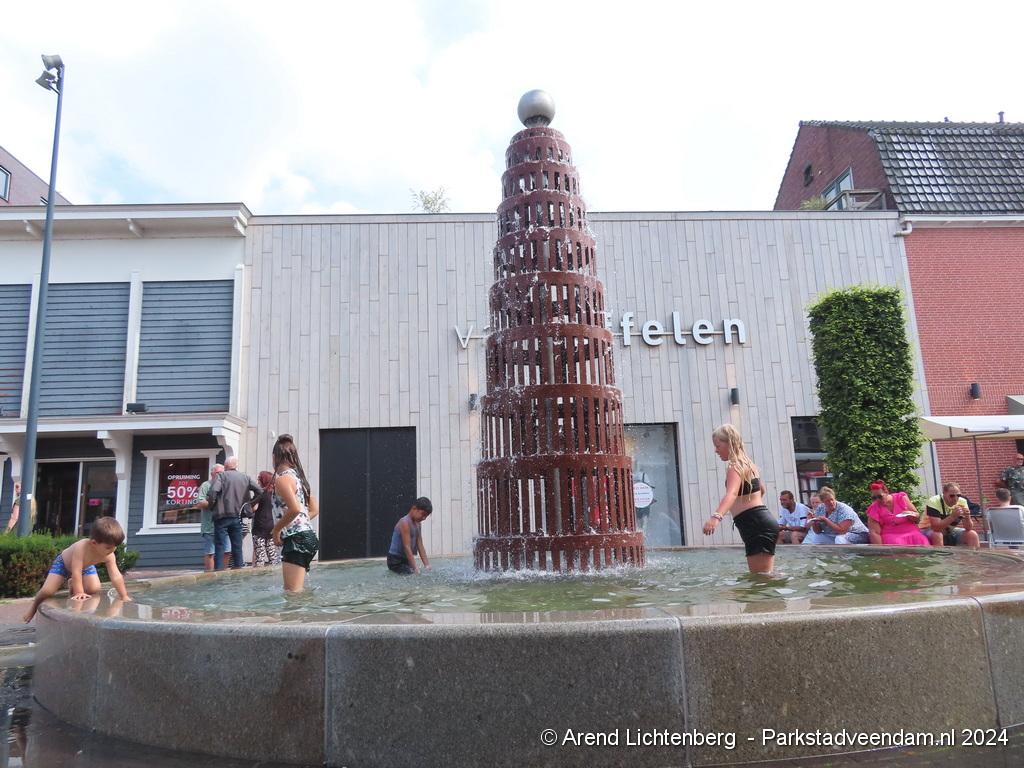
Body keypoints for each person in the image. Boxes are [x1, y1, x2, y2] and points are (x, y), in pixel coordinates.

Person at [702, 424, 778, 574]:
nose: (716, 450)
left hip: (755, 525)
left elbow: (731, 494)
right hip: (758, 522)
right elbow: (761, 489)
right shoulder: (748, 464)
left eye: (718, 446)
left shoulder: (735, 466)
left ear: (729, 443)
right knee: (764, 576)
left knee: (761, 578)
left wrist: (716, 517)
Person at [23, 516, 131, 622]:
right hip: (63, 564)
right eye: (108, 547)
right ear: (94, 543)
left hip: (86, 566)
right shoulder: (81, 547)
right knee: (48, 591)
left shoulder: (109, 555)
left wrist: (124, 595)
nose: (112, 550)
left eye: (115, 546)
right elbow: (76, 571)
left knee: (94, 588)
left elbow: (116, 576)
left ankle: (72, 584)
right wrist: (79, 592)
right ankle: (33, 608)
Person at [270, 435, 320, 592]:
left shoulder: (283, 479)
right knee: (296, 590)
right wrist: (299, 523)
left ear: (274, 457)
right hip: (306, 536)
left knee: (292, 593)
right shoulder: (299, 479)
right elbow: (314, 509)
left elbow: (294, 509)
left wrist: (276, 530)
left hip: (296, 540)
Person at [208, 456, 261, 570]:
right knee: (237, 546)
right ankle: (238, 572)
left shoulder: (221, 476)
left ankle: (218, 572)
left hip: (221, 516)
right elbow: (259, 491)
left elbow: (213, 493)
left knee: (220, 546)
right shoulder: (245, 477)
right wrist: (250, 504)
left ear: (226, 466)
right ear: (236, 465)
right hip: (238, 515)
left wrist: (212, 506)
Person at [865, 480, 931, 546]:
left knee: (921, 541)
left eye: (880, 497)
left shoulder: (901, 498)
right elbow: (874, 532)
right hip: (891, 535)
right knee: (896, 544)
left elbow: (917, 518)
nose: (877, 500)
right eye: (874, 498)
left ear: (886, 492)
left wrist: (910, 514)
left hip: (911, 532)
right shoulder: (874, 508)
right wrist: (880, 549)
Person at [184, 464, 224, 571]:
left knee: (226, 551)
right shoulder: (206, 485)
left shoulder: (226, 485)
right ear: (212, 473)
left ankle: (223, 575)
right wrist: (215, 503)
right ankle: (210, 575)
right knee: (210, 552)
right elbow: (200, 502)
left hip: (224, 525)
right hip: (209, 525)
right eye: (218, 473)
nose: (220, 475)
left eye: (222, 473)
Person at [802, 486, 869, 544]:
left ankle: (843, 555)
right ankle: (822, 555)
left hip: (857, 534)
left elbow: (842, 531)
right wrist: (814, 521)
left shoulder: (844, 509)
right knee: (817, 537)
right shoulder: (820, 508)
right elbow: (817, 531)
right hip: (835, 535)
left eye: (832, 499)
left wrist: (826, 520)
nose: (831, 502)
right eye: (827, 501)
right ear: (823, 502)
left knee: (839, 539)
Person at [924, 482, 980, 550]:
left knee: (972, 534)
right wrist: (952, 516)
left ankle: (973, 556)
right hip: (927, 529)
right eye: (952, 496)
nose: (955, 498)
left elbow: (968, 528)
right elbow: (936, 528)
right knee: (937, 535)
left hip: (949, 530)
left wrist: (967, 517)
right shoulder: (934, 501)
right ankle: (940, 556)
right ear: (944, 493)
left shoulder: (962, 501)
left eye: (958, 495)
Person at [387, 498, 433, 575]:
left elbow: (420, 545)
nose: (424, 518)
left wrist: (427, 565)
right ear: (414, 508)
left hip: (405, 559)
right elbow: (407, 547)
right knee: (412, 574)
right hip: (395, 560)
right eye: (423, 514)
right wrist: (415, 568)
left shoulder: (418, 524)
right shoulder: (404, 522)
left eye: (426, 516)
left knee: (419, 573)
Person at [251, 470, 280, 567]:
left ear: (263, 480)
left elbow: (254, 508)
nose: (257, 480)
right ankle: (275, 572)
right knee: (272, 555)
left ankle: (259, 574)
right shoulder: (275, 493)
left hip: (260, 525)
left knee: (260, 556)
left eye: (259, 478)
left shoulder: (260, 493)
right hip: (272, 525)